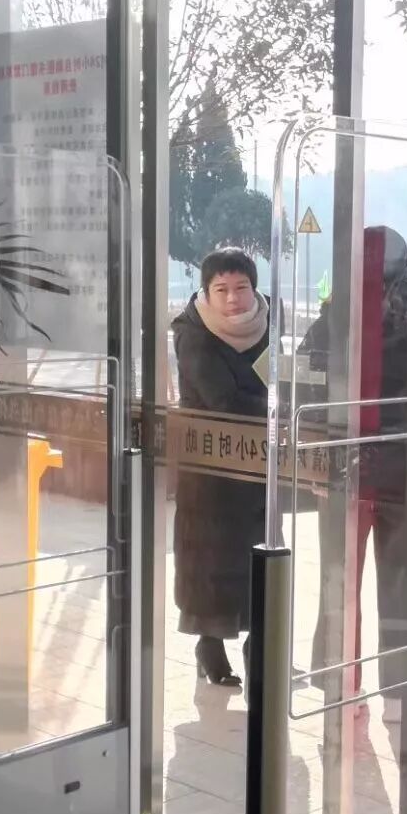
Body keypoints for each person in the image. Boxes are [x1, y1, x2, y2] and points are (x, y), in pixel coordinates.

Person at [299, 226, 407, 721]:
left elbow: (304, 398)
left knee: (339, 582)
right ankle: (398, 694)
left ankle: (341, 686)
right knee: (400, 585)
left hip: (345, 475)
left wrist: (314, 461)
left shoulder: (330, 324)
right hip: (402, 475)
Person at [172, 246, 269, 686]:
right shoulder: (193, 333)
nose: (233, 299)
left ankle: (258, 645)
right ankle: (209, 645)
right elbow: (223, 400)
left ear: (254, 288)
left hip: (256, 466)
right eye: (221, 289)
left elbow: (292, 379)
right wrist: (274, 405)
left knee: (256, 554)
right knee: (210, 560)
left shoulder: (268, 326)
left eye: (241, 287)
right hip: (208, 469)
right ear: (206, 292)